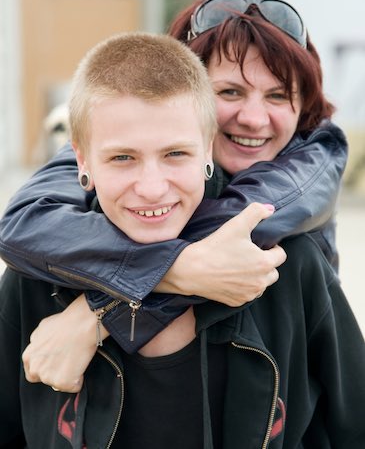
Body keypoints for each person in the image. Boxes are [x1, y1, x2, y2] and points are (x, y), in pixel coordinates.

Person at [1, 31, 364, 449]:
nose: (152, 188)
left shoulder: (286, 264)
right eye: (123, 157)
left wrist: (100, 311)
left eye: (176, 154)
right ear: (81, 159)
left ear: (208, 150)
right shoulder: (35, 281)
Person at [0, 0, 347, 361]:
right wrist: (176, 271)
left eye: (277, 95)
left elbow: (243, 228)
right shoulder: (118, 141)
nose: (253, 118)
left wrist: (96, 314)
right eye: (230, 92)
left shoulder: (313, 163)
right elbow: (24, 224)